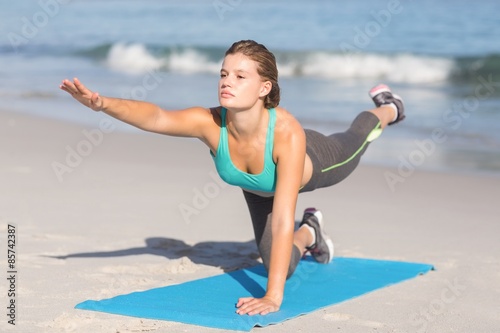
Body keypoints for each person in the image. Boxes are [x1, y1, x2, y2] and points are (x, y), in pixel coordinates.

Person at [60, 40, 405, 316]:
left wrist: (272, 298)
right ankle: (312, 231)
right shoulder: (210, 123)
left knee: (354, 142)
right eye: (224, 74)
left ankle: (389, 107)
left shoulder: (286, 132)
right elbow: (156, 117)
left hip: (314, 163)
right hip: (258, 189)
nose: (227, 81)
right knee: (280, 267)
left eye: (241, 76)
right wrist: (102, 103)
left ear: (263, 87)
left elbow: (283, 215)